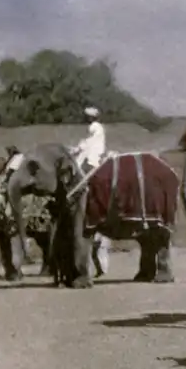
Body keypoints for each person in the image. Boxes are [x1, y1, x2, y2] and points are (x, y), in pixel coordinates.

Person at [73, 107, 110, 276]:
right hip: (92, 155)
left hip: (92, 158)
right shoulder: (96, 128)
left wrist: (77, 150)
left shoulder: (95, 128)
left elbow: (89, 145)